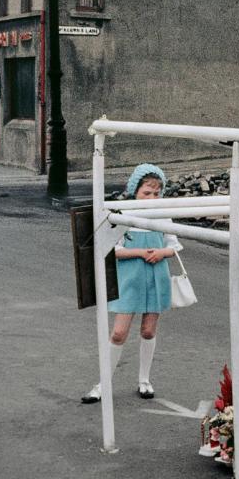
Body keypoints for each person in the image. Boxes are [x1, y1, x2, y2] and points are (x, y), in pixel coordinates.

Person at [81, 163, 180, 403]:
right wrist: (138, 252)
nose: (152, 197)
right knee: (118, 333)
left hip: (156, 276)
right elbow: (111, 249)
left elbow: (174, 246)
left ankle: (144, 380)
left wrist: (161, 252)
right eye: (147, 192)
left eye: (157, 193)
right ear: (135, 191)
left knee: (148, 330)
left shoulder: (162, 214)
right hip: (130, 278)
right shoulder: (124, 215)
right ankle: (103, 383)